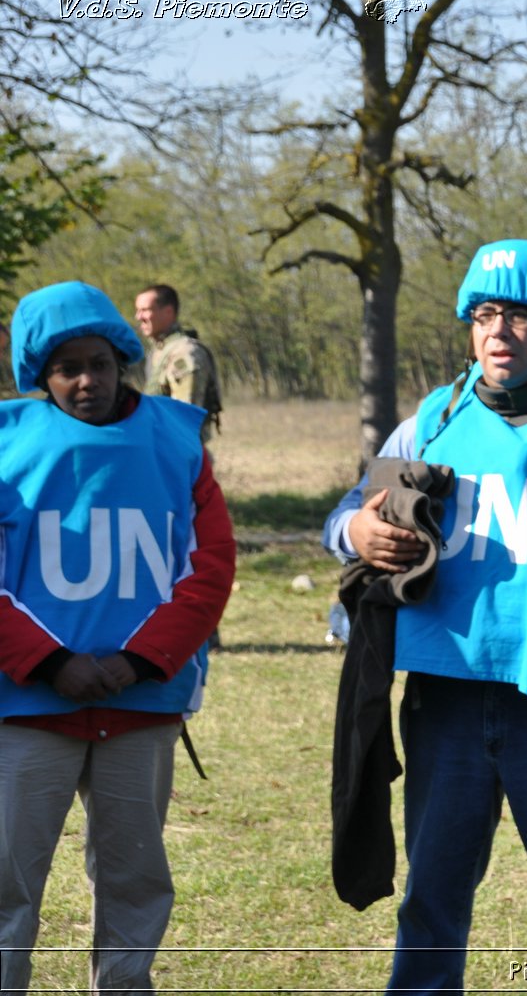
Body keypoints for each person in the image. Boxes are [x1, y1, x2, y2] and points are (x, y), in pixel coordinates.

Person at [322, 239, 527, 995]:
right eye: (483, 315)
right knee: (432, 901)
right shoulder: (432, 421)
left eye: (518, 317)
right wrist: (358, 532)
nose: (498, 333)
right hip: (443, 697)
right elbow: (346, 515)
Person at [0, 280, 234, 993]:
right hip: (31, 706)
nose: (86, 380)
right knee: (8, 879)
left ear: (124, 358)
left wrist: (138, 659)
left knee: (134, 875)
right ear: (40, 373)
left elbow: (210, 565)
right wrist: (49, 662)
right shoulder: (9, 445)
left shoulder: (177, 438)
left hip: (141, 704)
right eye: (67, 367)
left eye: (100, 363)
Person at [135, 283, 222, 442]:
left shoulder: (185, 353)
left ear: (168, 312)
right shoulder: (158, 352)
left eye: (145, 310)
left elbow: (185, 415)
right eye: (138, 310)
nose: (139, 317)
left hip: (181, 452)